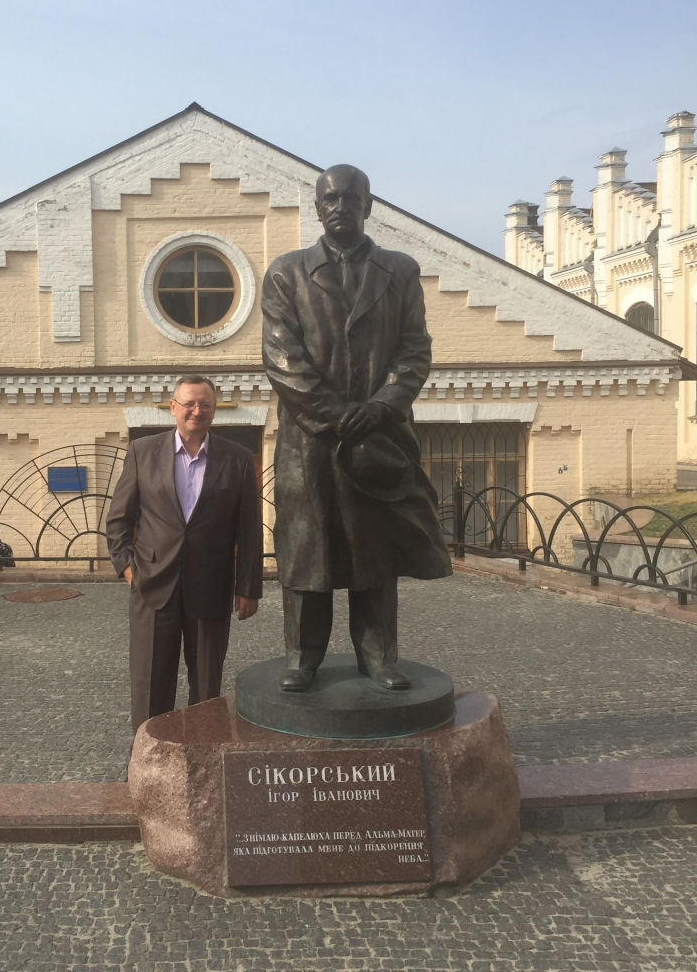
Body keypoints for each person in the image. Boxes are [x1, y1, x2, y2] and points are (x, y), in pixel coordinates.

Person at [261, 163, 452, 694]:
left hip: (380, 435)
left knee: (374, 552)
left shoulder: (400, 271)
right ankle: (302, 658)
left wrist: (383, 405)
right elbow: (282, 358)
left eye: (351, 198)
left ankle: (378, 656)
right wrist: (338, 416)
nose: (340, 207)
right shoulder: (286, 273)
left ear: (368, 206)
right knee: (309, 550)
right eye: (331, 199)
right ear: (317, 207)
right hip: (309, 441)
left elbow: (414, 349)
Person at [105, 374, 263, 732]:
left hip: (211, 587)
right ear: (173, 407)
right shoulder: (142, 452)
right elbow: (118, 520)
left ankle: (202, 752)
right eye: (189, 403)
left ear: (214, 410)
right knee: (150, 683)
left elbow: (249, 530)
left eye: (205, 404)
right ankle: (147, 753)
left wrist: (248, 587)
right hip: (152, 586)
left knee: (206, 686)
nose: (196, 411)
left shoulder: (237, 459)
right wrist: (129, 570)